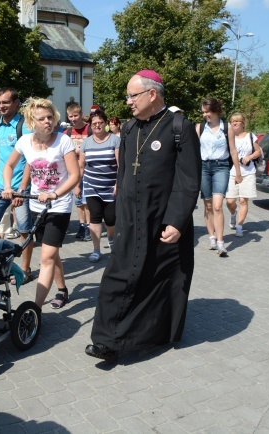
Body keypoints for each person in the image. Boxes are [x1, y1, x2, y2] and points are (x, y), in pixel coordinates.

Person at [85, 70, 201, 362]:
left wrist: (177, 220)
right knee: (117, 276)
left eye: (132, 96)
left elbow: (188, 179)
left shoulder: (179, 126)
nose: (128, 102)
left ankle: (155, 332)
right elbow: (123, 174)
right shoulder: (129, 129)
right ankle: (105, 340)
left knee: (161, 279)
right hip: (131, 219)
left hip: (163, 220)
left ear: (152, 94)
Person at [1, 97, 80, 309]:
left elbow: (75, 175)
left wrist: (55, 194)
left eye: (50, 117)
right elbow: (9, 165)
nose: (47, 121)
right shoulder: (24, 142)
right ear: (31, 122)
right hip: (36, 206)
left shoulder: (63, 141)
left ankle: (34, 309)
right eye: (42, 118)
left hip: (59, 207)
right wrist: (9, 187)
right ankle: (62, 290)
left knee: (45, 258)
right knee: (51, 253)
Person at [0, 87, 34, 284]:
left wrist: (22, 189)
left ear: (16, 103)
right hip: (0, 186)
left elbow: (31, 160)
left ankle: (26, 267)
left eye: (5, 102)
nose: (1, 106)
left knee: (24, 229)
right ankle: (2, 258)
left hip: (20, 187)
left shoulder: (25, 126)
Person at [196, 97, 242, 257]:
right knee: (208, 205)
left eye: (207, 112)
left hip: (221, 167)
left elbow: (233, 150)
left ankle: (221, 243)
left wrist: (238, 172)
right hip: (203, 167)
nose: (205, 115)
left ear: (215, 111)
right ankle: (212, 237)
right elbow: (193, 151)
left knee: (217, 205)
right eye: (203, 112)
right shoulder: (200, 128)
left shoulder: (226, 127)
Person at [78, 109, 120, 262]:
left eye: (100, 123)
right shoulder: (86, 143)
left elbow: (120, 165)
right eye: (94, 123)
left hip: (110, 187)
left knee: (110, 220)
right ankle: (96, 250)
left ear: (105, 124)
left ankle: (111, 239)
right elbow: (81, 165)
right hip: (91, 186)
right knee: (95, 218)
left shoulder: (115, 140)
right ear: (90, 125)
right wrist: (77, 185)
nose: (97, 126)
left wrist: (118, 184)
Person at [226, 113, 262, 237]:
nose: (234, 123)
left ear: (243, 123)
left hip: (248, 172)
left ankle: (240, 226)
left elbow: (258, 151)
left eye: (237, 121)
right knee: (230, 201)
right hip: (232, 172)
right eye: (232, 121)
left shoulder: (251, 136)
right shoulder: (229, 137)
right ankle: (233, 214)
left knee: (243, 200)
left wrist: (250, 157)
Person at [65, 103, 92, 241]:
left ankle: (88, 226)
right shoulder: (68, 133)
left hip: (88, 169)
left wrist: (80, 151)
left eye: (76, 115)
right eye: (71, 116)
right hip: (73, 170)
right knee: (78, 200)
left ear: (81, 115)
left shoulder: (90, 129)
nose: (73, 118)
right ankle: (82, 225)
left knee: (86, 200)